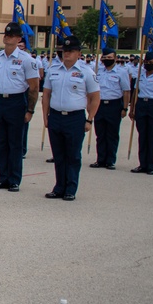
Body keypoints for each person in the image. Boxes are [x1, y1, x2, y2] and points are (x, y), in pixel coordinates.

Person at [41, 35, 100, 200]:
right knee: (58, 155)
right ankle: (59, 187)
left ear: (79, 53)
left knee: (73, 155)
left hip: (75, 118)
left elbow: (95, 97)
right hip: (56, 116)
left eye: (71, 50)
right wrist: (46, 116)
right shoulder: (53, 70)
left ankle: (70, 189)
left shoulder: (86, 72)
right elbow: (46, 94)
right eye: (65, 50)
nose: (67, 53)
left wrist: (90, 119)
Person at [0, 22, 40, 192]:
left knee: (15, 143)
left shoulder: (26, 60)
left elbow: (33, 87)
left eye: (11, 35)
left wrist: (30, 110)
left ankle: (14, 179)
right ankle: (3, 177)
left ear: (19, 39)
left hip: (16, 102)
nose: (7, 37)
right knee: (1, 143)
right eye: (6, 35)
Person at [90, 48, 130, 170]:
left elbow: (126, 91)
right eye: (105, 58)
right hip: (99, 105)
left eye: (110, 57)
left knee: (112, 134)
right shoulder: (97, 71)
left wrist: (125, 108)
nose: (107, 60)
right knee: (100, 134)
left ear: (115, 58)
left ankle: (110, 160)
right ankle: (100, 159)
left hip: (114, 105)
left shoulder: (121, 72)